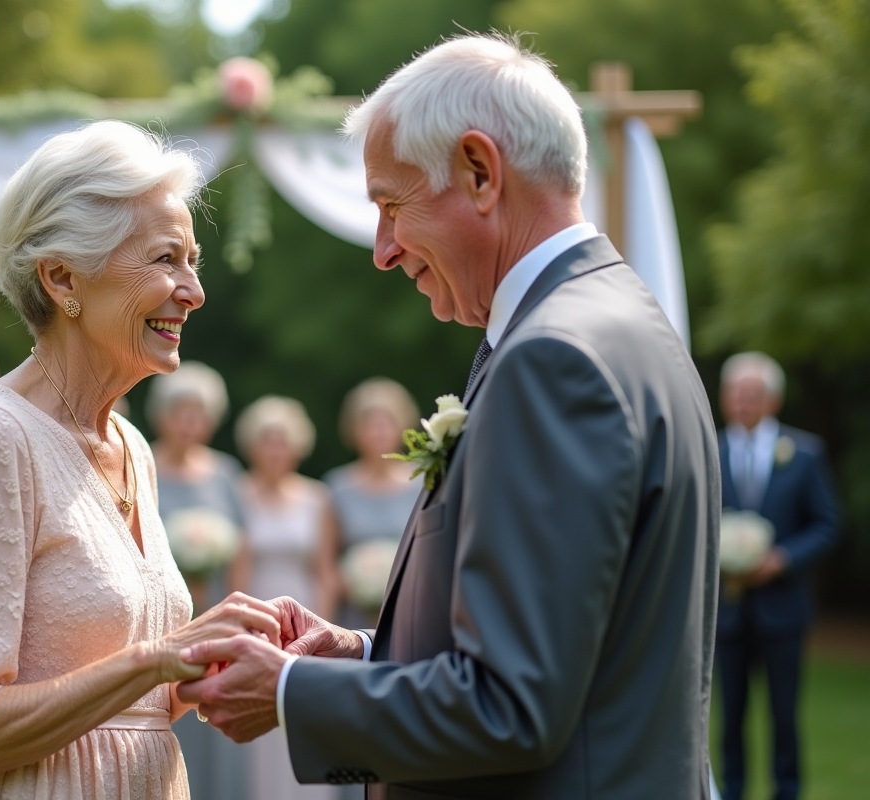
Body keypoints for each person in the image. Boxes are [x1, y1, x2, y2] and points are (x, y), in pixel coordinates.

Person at [177, 33, 721, 800]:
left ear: (479, 172)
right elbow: (571, 651)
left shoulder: (554, 360)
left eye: (392, 205)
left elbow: (512, 709)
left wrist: (291, 693)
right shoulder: (620, 321)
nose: (383, 249)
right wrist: (367, 655)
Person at [0, 121, 282, 800]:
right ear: (61, 277)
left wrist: (216, 652)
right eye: (167, 259)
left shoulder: (133, 447)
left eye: (192, 261)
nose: (192, 290)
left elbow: (133, 701)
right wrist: (152, 661)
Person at [715, 352, 841, 800]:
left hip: (783, 610)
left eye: (754, 394)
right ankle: (731, 791)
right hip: (725, 614)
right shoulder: (707, 449)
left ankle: (787, 791)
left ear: (773, 400)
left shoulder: (804, 453)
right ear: (726, 398)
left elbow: (828, 523)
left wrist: (782, 559)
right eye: (737, 393)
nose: (745, 402)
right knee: (728, 716)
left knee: (784, 716)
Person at [147, 362, 248, 800]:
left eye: (199, 413)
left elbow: (242, 547)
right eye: (180, 412)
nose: (189, 423)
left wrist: (236, 611)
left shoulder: (226, 474)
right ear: (161, 415)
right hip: (162, 618)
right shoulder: (143, 463)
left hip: (216, 614)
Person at [230, 395, 339, 800]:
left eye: (282, 441)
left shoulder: (317, 498)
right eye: (266, 440)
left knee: (303, 713)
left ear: (297, 445)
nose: (275, 450)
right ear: (252, 445)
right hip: (258, 613)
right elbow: (236, 571)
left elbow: (326, 571)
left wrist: (321, 633)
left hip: (306, 612)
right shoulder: (238, 494)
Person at [323, 378, 421, 632]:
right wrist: (360, 588)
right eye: (370, 425)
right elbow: (326, 563)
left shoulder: (423, 481)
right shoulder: (337, 487)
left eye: (386, 424)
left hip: (412, 610)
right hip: (353, 617)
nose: (378, 433)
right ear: (354, 431)